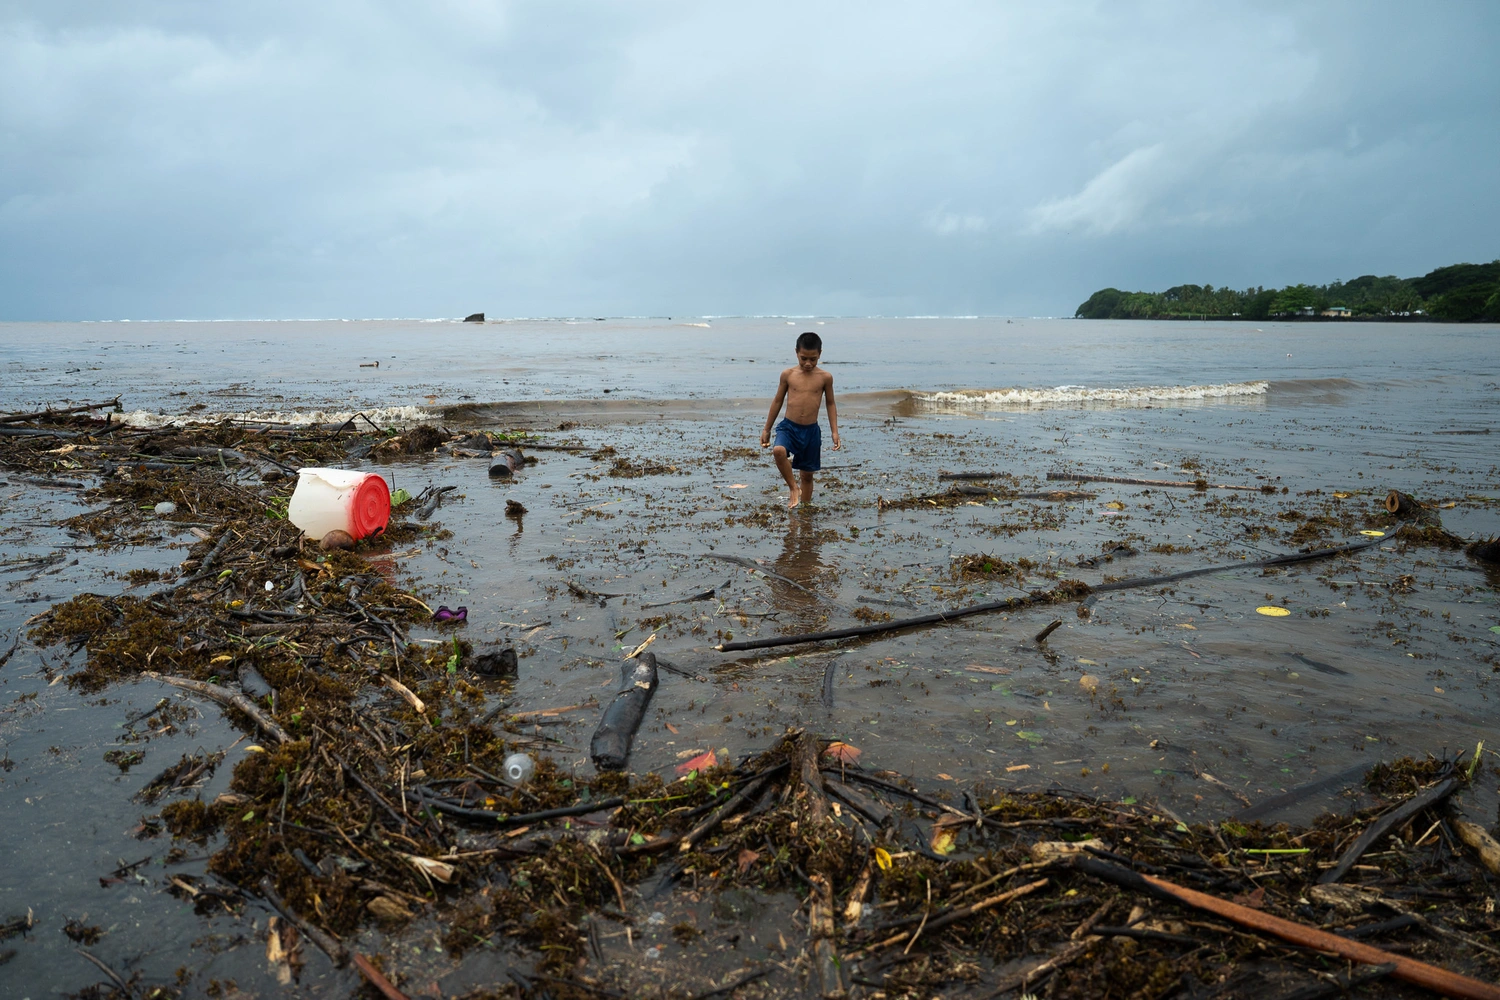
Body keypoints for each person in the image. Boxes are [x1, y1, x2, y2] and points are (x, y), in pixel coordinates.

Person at [760, 331, 840, 508]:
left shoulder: (825, 377)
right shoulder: (788, 375)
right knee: (778, 451)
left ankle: (805, 509)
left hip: (811, 431)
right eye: (803, 358)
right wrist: (767, 429)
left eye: (813, 359)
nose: (808, 363)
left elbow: (830, 403)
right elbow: (778, 400)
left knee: (807, 475)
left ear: (820, 354)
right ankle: (793, 488)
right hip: (789, 427)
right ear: (796, 352)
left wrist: (834, 431)